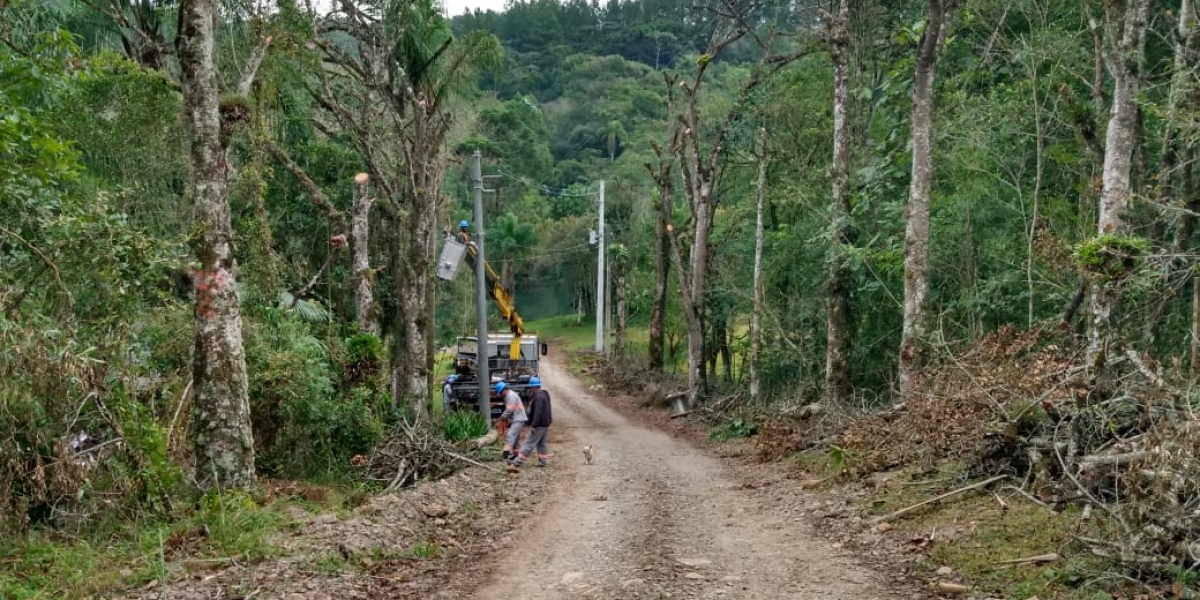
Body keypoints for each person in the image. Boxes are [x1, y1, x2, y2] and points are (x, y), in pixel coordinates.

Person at [509, 376, 551, 470]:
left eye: (531, 387)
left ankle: (516, 463)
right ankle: (543, 461)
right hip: (545, 423)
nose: (530, 390)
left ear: (534, 387)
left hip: (539, 424)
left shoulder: (539, 397)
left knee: (529, 443)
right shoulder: (544, 394)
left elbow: (538, 412)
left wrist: (534, 425)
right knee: (541, 443)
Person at [496, 381, 527, 461]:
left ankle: (505, 454)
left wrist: (502, 417)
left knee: (510, 435)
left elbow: (509, 409)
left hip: (518, 418)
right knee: (515, 439)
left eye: (500, 392)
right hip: (517, 418)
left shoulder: (511, 396)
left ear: (503, 390)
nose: (500, 394)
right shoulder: (508, 396)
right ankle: (516, 455)